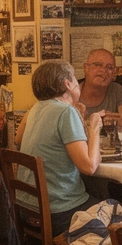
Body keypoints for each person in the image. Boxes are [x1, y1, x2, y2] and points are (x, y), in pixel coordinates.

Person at [18, 60, 104, 232]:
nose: (78, 83)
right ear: (67, 84)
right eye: (75, 78)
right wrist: (94, 128)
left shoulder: (34, 109)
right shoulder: (66, 112)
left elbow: (18, 139)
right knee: (119, 215)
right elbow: (89, 167)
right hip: (59, 211)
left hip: (26, 209)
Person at [77, 48, 122, 124]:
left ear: (114, 72)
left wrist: (112, 120)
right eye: (98, 65)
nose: (103, 70)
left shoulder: (116, 89)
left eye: (109, 67)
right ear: (86, 68)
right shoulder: (72, 91)